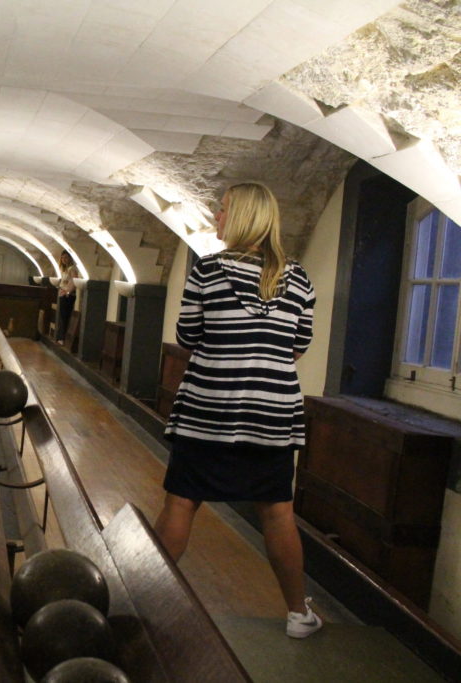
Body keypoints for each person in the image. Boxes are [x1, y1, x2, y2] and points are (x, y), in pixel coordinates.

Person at [153, 182, 322, 639]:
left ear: (244, 216)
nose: (217, 218)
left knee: (182, 500)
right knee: (277, 511)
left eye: (223, 210)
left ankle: (142, 599)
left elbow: (188, 336)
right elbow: (297, 346)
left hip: (209, 406)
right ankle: (297, 614)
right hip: (271, 414)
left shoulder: (207, 271)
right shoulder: (300, 278)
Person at [56, 250, 78, 343]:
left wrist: (67, 292)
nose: (64, 259)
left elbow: (74, 282)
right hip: (62, 294)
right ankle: (60, 337)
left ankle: (63, 338)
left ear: (70, 258)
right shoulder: (65, 269)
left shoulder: (72, 269)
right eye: (62, 257)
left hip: (68, 296)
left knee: (65, 316)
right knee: (62, 316)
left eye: (66, 257)